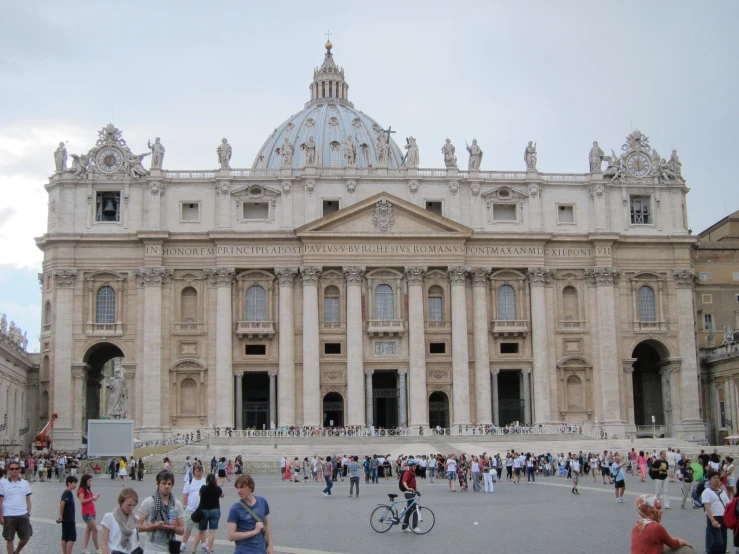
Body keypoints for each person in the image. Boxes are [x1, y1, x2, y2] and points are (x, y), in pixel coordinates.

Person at [137, 470, 185, 553]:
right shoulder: (149, 502)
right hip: (152, 547)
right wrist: (155, 526)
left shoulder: (177, 504)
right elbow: (137, 527)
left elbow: (181, 531)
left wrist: (175, 527)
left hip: (170, 547)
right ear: (158, 484)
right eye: (164, 483)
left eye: (169, 484)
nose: (167, 486)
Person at [227, 474, 272, 554]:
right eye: (237, 488)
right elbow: (231, 536)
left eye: (241, 487)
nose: (238, 491)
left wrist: (270, 545)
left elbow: (267, 524)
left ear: (250, 487)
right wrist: (254, 531)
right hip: (243, 551)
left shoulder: (262, 501)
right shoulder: (235, 509)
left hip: (261, 550)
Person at [0, 459, 33, 554]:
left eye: (16, 468)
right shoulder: (3, 484)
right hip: (8, 514)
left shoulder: (25, 483)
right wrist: (1, 516)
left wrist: (28, 513)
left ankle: (17, 551)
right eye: (12, 469)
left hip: (23, 513)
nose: (14, 470)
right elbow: (0, 501)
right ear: (8, 470)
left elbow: (28, 499)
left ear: (19, 470)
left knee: (26, 537)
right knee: (9, 538)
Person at [101, 488, 140, 554]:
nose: (132, 508)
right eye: (129, 505)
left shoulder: (135, 519)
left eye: (134, 505)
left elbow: (136, 541)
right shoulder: (109, 517)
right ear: (121, 502)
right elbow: (104, 543)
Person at [702, 469, 730, 554]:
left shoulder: (722, 491)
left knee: (724, 542)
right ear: (710, 480)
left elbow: (728, 504)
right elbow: (707, 506)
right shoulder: (707, 492)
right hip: (714, 517)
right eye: (714, 478)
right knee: (718, 542)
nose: (716, 479)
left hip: (723, 517)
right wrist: (713, 520)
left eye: (717, 478)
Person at [195, 473, 224, 554]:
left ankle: (194, 550)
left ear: (206, 480)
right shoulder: (217, 489)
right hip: (215, 510)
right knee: (212, 532)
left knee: (200, 530)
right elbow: (222, 495)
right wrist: (217, 485)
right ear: (215, 480)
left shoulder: (203, 488)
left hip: (204, 510)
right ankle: (209, 550)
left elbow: (200, 494)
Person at [181, 463, 206, 552]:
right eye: (197, 471)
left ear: (202, 472)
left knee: (201, 529)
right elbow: (185, 494)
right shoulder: (190, 481)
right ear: (194, 472)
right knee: (188, 528)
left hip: (202, 509)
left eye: (200, 471)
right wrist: (185, 506)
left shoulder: (205, 481)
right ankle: (183, 544)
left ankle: (204, 544)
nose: (198, 473)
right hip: (190, 509)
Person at [77, 473, 101, 554]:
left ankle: (84, 548)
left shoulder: (87, 489)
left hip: (92, 512)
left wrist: (95, 497)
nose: (90, 482)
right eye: (89, 480)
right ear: (85, 480)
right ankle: (98, 549)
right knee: (95, 530)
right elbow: (82, 501)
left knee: (88, 530)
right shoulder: (81, 489)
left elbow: (91, 499)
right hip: (87, 513)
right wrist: (91, 499)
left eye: (91, 481)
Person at [57, 475, 78, 554]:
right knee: (72, 537)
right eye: (74, 483)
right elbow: (62, 503)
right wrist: (60, 516)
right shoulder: (67, 492)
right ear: (69, 483)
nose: (76, 485)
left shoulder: (68, 492)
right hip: (69, 518)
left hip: (66, 518)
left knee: (65, 537)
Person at [400, 460, 421, 532]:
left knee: (409, 510)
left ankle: (404, 526)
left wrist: (416, 490)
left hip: (412, 493)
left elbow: (414, 483)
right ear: (410, 467)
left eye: (415, 466)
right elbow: (404, 481)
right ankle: (415, 527)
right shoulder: (408, 473)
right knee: (415, 509)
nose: (415, 467)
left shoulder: (413, 473)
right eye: (414, 466)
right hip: (408, 493)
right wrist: (408, 488)